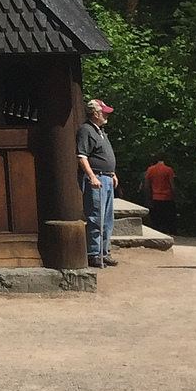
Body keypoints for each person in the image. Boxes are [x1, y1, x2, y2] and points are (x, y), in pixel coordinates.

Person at [76, 96, 119, 268]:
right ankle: (94, 253)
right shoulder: (86, 130)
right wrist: (91, 176)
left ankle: (104, 251)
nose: (106, 116)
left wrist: (112, 173)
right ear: (95, 113)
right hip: (97, 178)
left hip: (107, 177)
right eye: (104, 113)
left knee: (107, 218)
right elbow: (82, 156)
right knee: (96, 217)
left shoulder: (100, 130)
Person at [141, 154, 178, 237]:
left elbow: (146, 185)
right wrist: (175, 195)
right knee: (169, 218)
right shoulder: (168, 170)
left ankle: (158, 233)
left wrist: (148, 197)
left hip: (155, 197)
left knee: (157, 219)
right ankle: (171, 233)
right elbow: (172, 185)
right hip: (167, 198)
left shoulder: (150, 169)